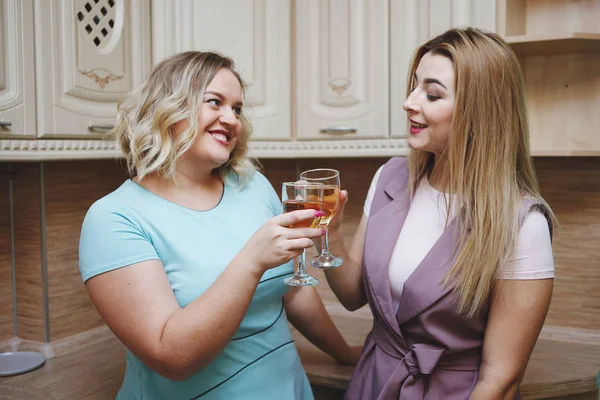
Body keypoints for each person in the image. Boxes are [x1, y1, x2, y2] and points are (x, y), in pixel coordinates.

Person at [78, 51, 360, 400]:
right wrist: (251, 261)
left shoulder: (252, 184)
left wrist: (345, 353)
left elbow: (293, 290)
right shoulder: (114, 218)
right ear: (168, 108)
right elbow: (172, 357)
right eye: (215, 102)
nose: (231, 119)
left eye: (237, 108)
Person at [324, 28, 556, 399]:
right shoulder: (390, 177)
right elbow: (354, 295)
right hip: (371, 382)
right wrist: (331, 234)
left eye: (432, 94)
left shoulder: (522, 224)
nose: (409, 102)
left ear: (478, 112)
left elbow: (501, 379)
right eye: (414, 86)